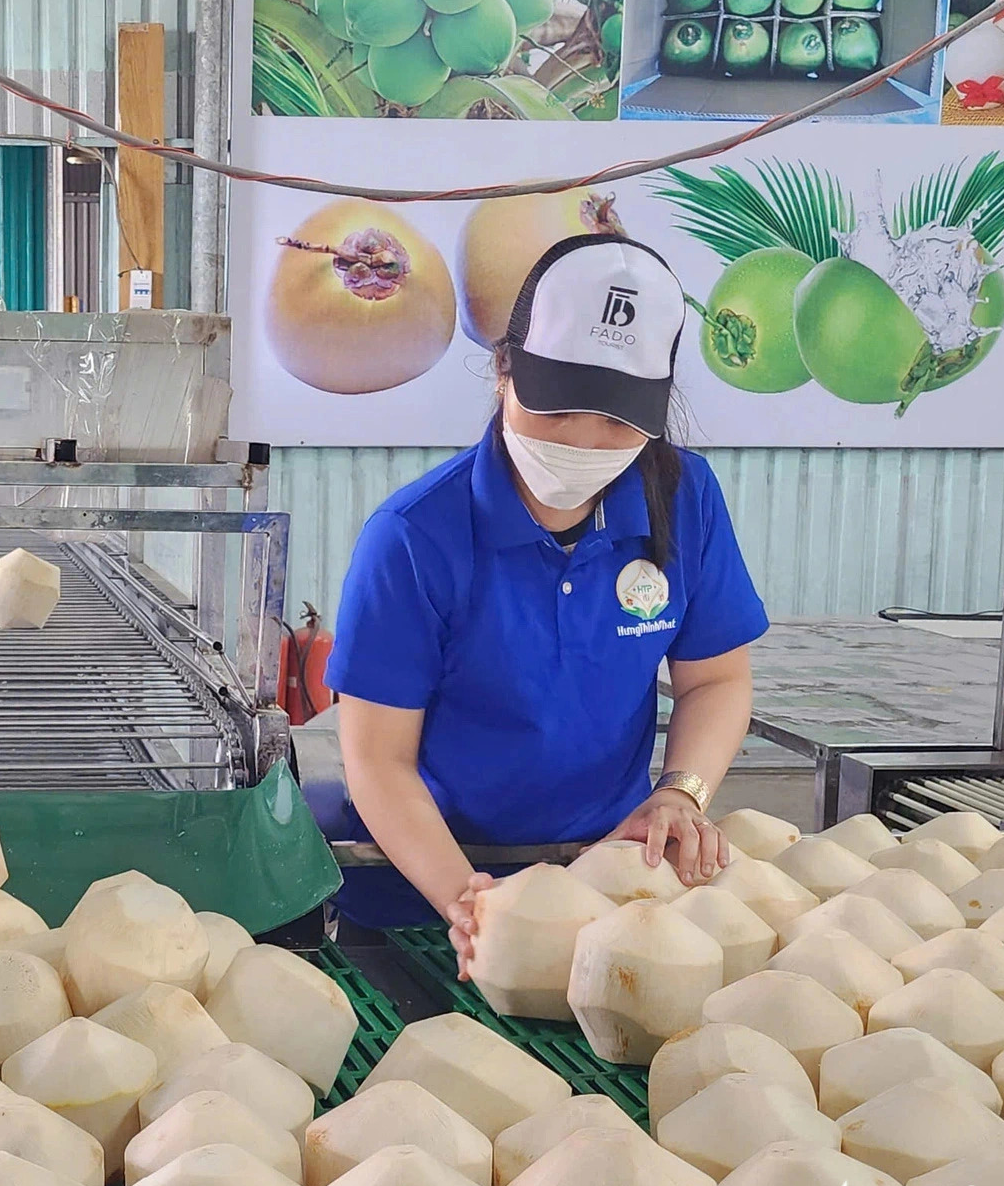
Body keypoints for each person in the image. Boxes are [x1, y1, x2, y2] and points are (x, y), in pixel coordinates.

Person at [327, 233, 768, 975]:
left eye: (618, 420)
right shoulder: (414, 539)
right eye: (559, 409)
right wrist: (462, 899)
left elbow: (716, 679)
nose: (586, 441)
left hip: (612, 874)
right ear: (505, 369)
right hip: (430, 879)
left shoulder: (684, 500)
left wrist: (681, 794)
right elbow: (378, 758)